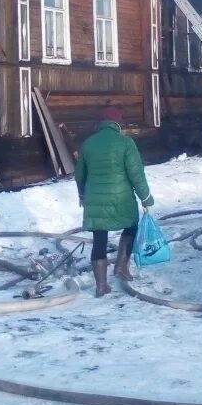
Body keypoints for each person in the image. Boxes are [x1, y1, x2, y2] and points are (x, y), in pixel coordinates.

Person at [75, 105, 154, 297]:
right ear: (117, 123)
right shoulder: (125, 143)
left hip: (95, 199)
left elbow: (79, 176)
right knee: (131, 226)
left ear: (100, 124)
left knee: (99, 239)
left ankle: (101, 286)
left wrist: (82, 196)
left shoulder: (87, 144)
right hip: (121, 197)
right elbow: (136, 174)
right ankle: (121, 266)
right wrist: (146, 197)